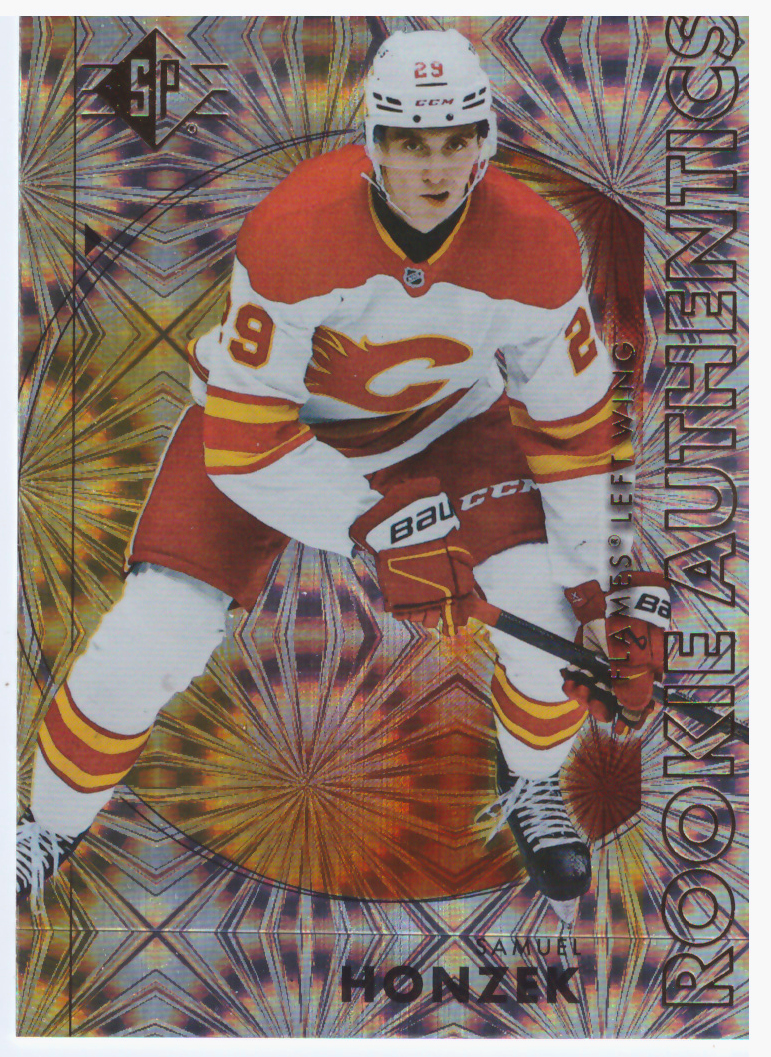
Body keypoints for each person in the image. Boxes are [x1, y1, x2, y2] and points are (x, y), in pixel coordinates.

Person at [17, 28, 669, 916]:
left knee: (550, 615)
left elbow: (576, 429)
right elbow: (246, 443)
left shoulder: (537, 242)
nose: (434, 168)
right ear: (373, 143)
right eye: (409, 142)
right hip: (277, 439)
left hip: (445, 426)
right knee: (146, 642)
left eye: (455, 141)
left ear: (484, 141)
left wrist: (610, 587)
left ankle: (529, 781)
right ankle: (48, 826)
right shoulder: (295, 227)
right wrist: (377, 524)